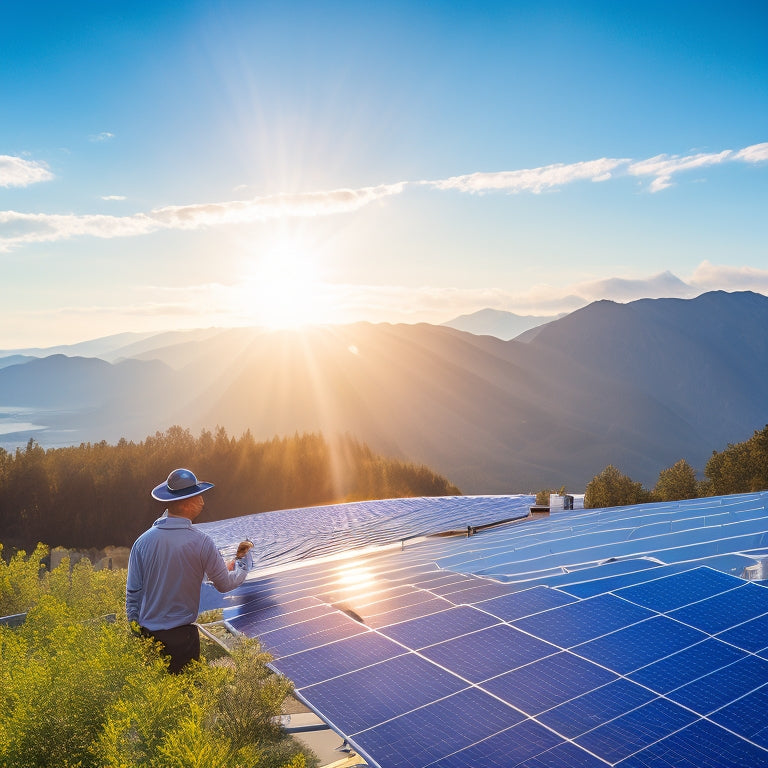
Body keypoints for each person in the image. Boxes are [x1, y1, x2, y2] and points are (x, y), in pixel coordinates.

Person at [126, 468, 253, 673]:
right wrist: (243, 563)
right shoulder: (202, 542)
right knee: (186, 698)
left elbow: (133, 593)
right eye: (198, 496)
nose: (202, 501)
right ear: (187, 503)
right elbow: (225, 584)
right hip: (182, 642)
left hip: (148, 638)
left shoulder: (142, 542)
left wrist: (137, 634)